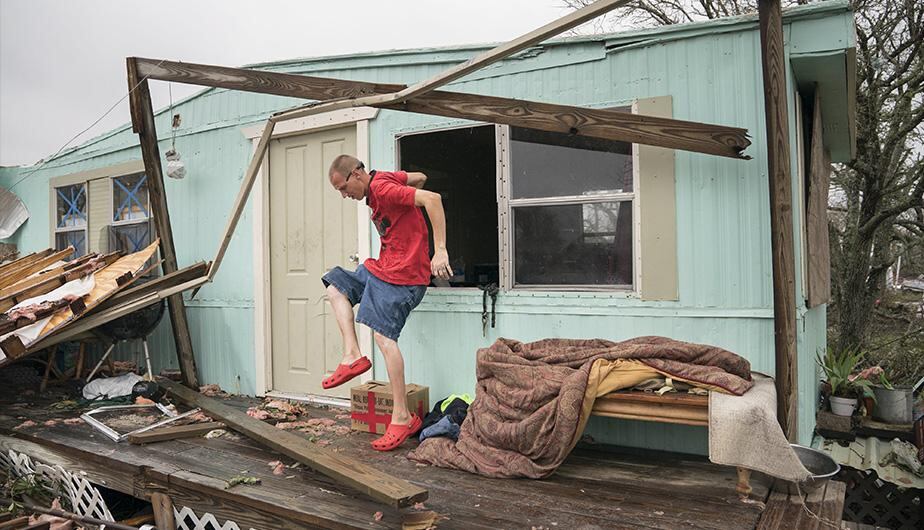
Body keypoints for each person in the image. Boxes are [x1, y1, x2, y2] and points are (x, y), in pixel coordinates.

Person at [320, 154, 450, 451]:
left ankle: (402, 416)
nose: (344, 195)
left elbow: (432, 198)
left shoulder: (383, 188)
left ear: (356, 174)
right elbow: (420, 177)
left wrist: (440, 250)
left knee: (384, 338)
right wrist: (405, 190)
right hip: (385, 269)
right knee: (335, 285)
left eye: (343, 188)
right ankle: (352, 355)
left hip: (405, 278)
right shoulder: (382, 181)